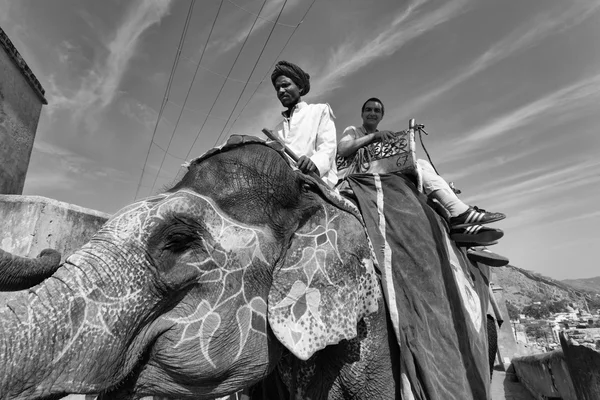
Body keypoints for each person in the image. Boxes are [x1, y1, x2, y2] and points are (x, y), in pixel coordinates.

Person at [338, 97, 507, 249]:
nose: (372, 113)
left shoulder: (383, 137)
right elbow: (343, 149)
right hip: (359, 175)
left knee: (423, 166)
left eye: (377, 110)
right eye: (368, 109)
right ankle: (459, 213)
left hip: (379, 172)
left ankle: (459, 220)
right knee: (419, 165)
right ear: (362, 114)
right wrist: (374, 137)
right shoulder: (353, 131)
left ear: (382, 116)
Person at [270, 60, 338, 188]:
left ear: (300, 87)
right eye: (277, 88)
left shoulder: (319, 111)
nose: (281, 91)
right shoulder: (276, 130)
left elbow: (328, 148)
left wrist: (313, 163)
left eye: (285, 85)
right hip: (285, 186)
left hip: (316, 184)